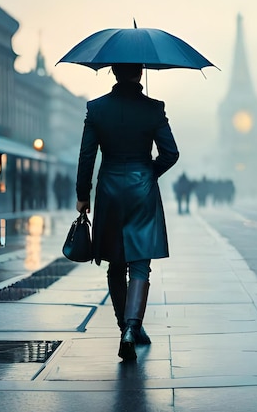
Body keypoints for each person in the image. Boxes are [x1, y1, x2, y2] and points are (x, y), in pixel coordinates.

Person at [75, 63, 180, 361]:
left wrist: (83, 195)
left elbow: (86, 156)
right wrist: (148, 173)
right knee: (139, 261)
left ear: (113, 73)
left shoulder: (96, 109)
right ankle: (133, 328)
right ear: (140, 74)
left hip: (108, 187)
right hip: (141, 187)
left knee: (115, 262)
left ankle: (123, 325)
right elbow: (171, 153)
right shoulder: (154, 109)